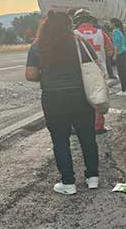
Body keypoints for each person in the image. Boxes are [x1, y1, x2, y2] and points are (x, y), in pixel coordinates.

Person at [25, 11, 99, 195]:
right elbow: (94, 64)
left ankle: (68, 183)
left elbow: (31, 75)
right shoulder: (79, 42)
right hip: (81, 97)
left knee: (60, 140)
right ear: (68, 24)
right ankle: (93, 178)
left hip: (53, 99)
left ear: (46, 25)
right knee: (87, 137)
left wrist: (48, 75)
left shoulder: (38, 45)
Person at [73, 10, 112, 133]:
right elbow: (110, 51)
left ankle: (82, 126)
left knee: (81, 99)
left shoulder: (74, 34)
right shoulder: (101, 33)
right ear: (91, 20)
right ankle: (98, 126)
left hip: (81, 72)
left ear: (77, 20)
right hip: (99, 70)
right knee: (98, 97)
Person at [110, 18, 126, 96]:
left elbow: (117, 45)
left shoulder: (116, 32)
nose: (110, 24)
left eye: (110, 23)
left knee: (121, 73)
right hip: (124, 53)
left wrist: (115, 55)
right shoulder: (120, 31)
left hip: (120, 54)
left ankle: (124, 90)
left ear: (114, 24)